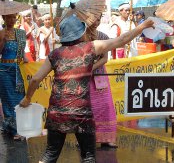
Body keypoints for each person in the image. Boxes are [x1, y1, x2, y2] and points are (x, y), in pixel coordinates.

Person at [19, 14, 154, 162]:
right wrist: (143, 26)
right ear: (81, 33)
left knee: (50, 155)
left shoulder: (55, 54)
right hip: (81, 113)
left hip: (57, 112)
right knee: (88, 156)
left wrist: (27, 98)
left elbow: (36, 79)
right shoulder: (91, 47)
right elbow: (121, 40)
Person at [85, 15, 118, 148]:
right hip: (83, 77)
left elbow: (105, 59)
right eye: (93, 19)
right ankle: (85, 139)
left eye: (98, 19)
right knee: (86, 107)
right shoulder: (80, 37)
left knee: (105, 105)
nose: (95, 22)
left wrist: (91, 68)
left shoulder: (103, 36)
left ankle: (107, 138)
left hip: (99, 76)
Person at [0, 13, 26, 140]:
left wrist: (28, 62)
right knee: (8, 99)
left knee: (20, 97)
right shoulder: (1, 33)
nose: (12, 20)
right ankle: (13, 129)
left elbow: (22, 53)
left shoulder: (20, 33)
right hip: (4, 70)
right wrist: (2, 40)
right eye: (9, 17)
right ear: (3, 18)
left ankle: (13, 126)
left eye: (13, 17)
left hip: (19, 69)